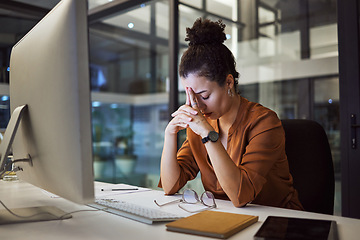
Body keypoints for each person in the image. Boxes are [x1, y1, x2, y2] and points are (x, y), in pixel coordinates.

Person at [158, 18, 303, 210]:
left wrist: (208, 135)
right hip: (227, 219)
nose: (198, 106)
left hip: (279, 223)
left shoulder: (264, 122)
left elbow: (240, 195)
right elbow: (170, 186)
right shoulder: (201, 125)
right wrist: (170, 134)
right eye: (191, 97)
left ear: (228, 83)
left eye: (204, 95)